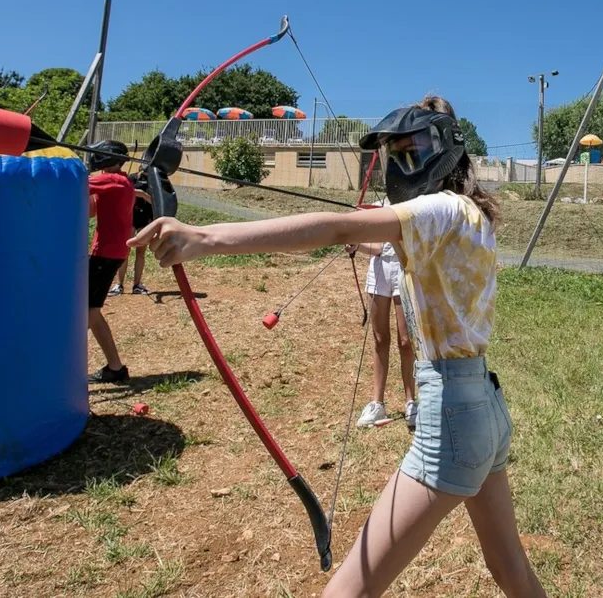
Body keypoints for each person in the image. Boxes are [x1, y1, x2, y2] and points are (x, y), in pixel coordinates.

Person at [129, 95, 545, 596]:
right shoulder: (469, 213)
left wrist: (205, 237)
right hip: (484, 408)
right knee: (511, 570)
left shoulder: (439, 208)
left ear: (446, 150)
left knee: (347, 590)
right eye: (396, 154)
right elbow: (368, 235)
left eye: (412, 152)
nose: (402, 164)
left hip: (452, 418)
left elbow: (339, 227)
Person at [86, 140, 149, 384]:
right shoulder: (120, 181)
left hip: (106, 254)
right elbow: (93, 210)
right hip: (111, 253)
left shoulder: (111, 180)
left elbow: (71, 183)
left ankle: (64, 368)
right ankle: (115, 367)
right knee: (90, 312)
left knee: (86, 312)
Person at [351, 222, 417, 430]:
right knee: (380, 339)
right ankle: (377, 403)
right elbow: (377, 247)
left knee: (405, 341)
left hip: (404, 268)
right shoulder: (378, 207)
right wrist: (356, 245)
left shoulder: (411, 203)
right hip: (379, 271)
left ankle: (411, 402)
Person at [109, 170, 154, 296]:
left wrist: (146, 197)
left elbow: (158, 200)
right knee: (125, 250)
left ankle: (137, 285)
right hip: (131, 216)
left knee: (141, 252)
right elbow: (123, 191)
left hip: (146, 218)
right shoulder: (132, 178)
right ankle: (119, 285)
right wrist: (138, 193)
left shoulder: (156, 181)